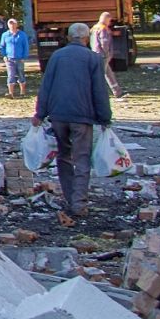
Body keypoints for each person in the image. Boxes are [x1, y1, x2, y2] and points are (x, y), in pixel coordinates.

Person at [33, 22, 112, 219]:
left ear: (69, 37)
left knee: (63, 156)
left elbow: (46, 86)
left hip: (58, 115)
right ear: (86, 39)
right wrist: (104, 117)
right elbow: (99, 90)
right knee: (82, 159)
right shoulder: (93, 58)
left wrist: (40, 113)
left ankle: (70, 198)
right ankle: (79, 204)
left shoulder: (56, 57)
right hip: (82, 117)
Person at [90, 12, 125, 99]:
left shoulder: (94, 28)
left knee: (108, 73)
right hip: (102, 55)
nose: (109, 23)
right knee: (100, 75)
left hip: (95, 52)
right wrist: (107, 53)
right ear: (106, 19)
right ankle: (96, 94)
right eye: (109, 20)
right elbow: (104, 42)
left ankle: (117, 91)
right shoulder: (103, 28)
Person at [0, 18, 31, 98]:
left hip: (20, 58)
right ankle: (11, 93)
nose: (12, 25)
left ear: (16, 25)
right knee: (10, 75)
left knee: (21, 74)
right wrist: (4, 56)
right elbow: (2, 46)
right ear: (8, 25)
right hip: (9, 59)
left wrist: (24, 57)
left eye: (13, 24)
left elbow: (26, 46)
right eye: (10, 24)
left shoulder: (22, 35)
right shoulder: (5, 35)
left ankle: (22, 92)